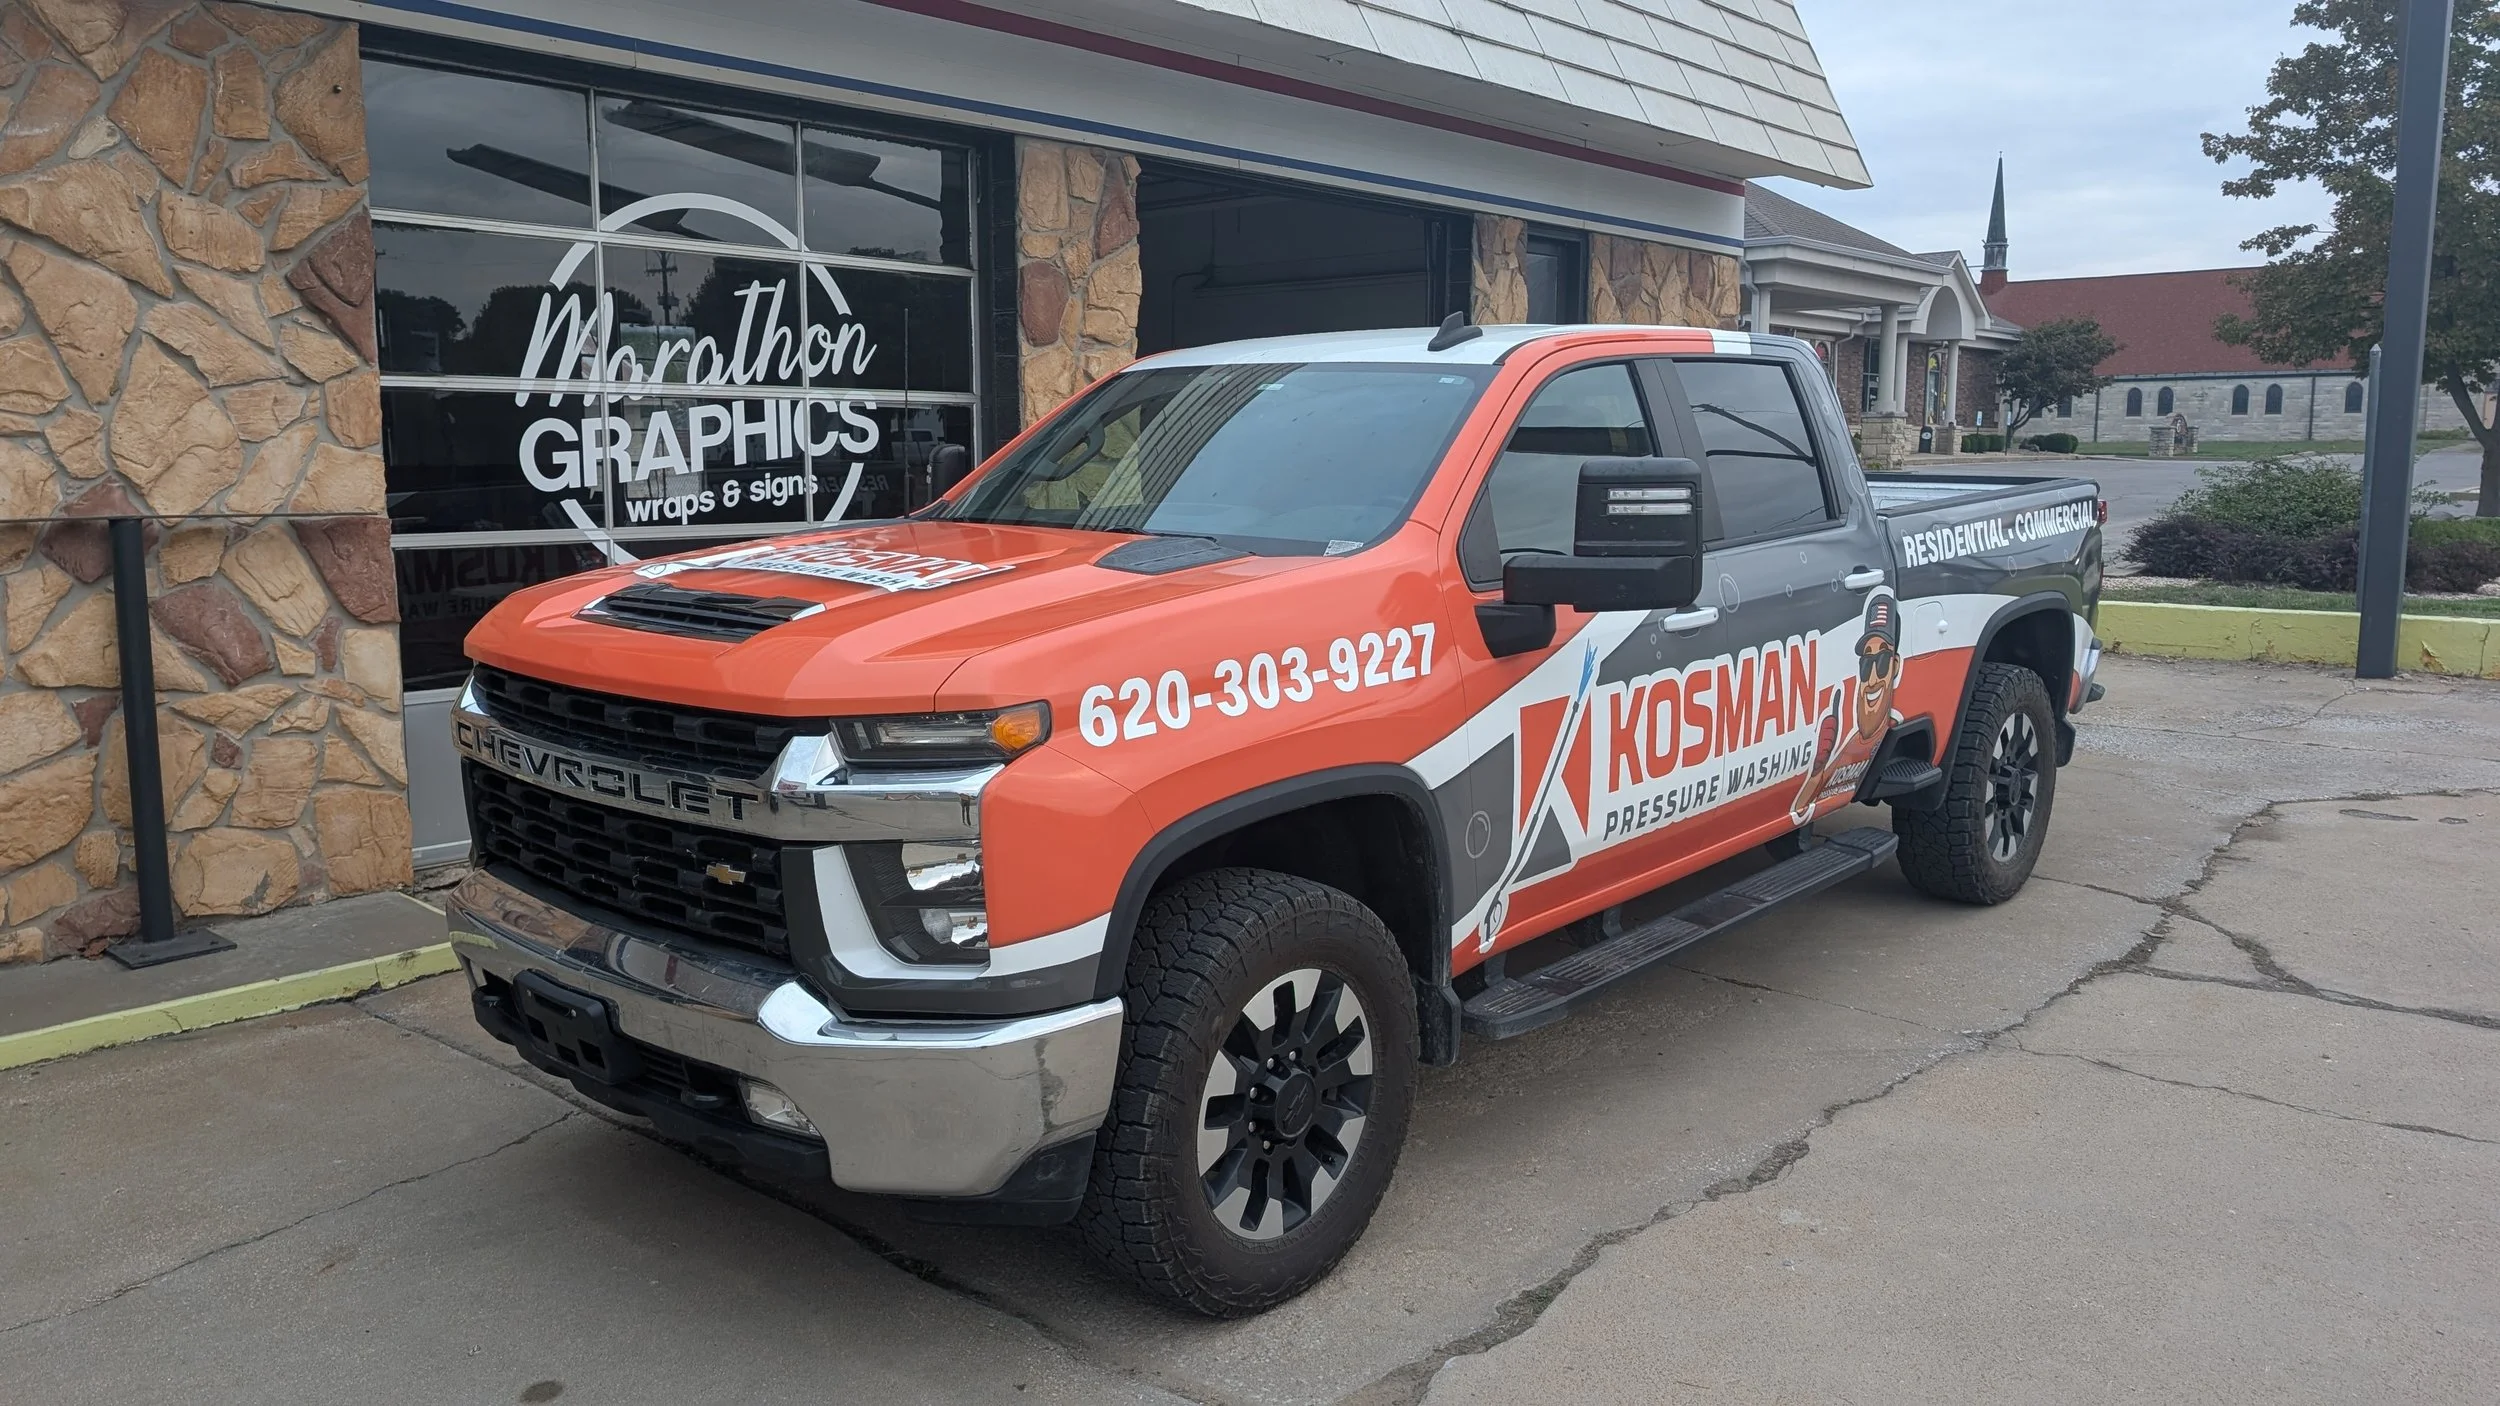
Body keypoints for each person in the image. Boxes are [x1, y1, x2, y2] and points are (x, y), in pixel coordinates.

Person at [1789, 592, 1904, 824]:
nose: (1871, 678)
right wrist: (1818, 770)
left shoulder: (1895, 732)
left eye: (1881, 662)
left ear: (1895, 666)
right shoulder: (1846, 745)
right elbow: (1799, 809)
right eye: (1866, 663)